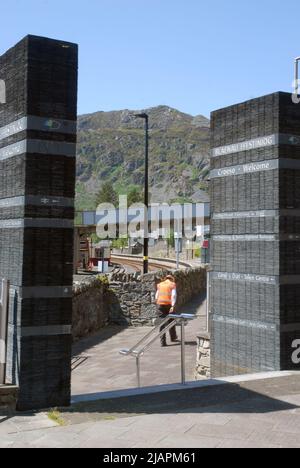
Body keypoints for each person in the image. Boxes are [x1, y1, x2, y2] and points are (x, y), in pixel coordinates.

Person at [156, 275, 178, 347]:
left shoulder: (160, 284)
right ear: (172, 279)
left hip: (160, 304)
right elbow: (174, 295)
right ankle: (173, 337)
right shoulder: (172, 284)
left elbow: (156, 295)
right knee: (171, 321)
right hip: (168, 305)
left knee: (162, 324)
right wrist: (172, 305)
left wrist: (158, 302)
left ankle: (163, 342)